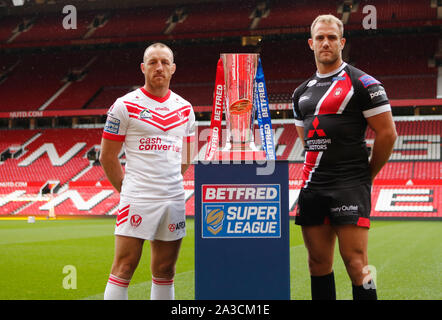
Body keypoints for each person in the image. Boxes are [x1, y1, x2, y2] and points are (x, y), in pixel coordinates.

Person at [291, 14, 397, 300]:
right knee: (317, 264)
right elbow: (308, 142)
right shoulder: (300, 94)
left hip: (350, 184)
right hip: (313, 186)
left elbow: (387, 135)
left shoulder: (364, 83)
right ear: (310, 44)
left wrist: (366, 175)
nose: (326, 43)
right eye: (320, 38)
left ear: (342, 42)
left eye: (332, 37)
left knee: (358, 264)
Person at [100, 42, 195, 300]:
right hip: (137, 197)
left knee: (165, 270)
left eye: (164, 62)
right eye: (153, 62)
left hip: (173, 198)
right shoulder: (124, 105)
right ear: (143, 68)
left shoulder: (185, 108)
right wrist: (128, 190)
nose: (159, 67)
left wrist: (170, 181)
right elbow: (107, 156)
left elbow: (188, 154)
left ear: (173, 68)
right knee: (124, 267)